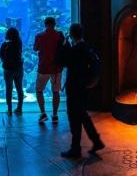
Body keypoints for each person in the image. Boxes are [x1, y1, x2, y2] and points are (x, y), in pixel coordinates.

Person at [60, 23, 105, 158]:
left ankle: (75, 149)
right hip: (83, 87)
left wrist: (64, 45)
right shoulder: (87, 47)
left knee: (74, 118)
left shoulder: (75, 50)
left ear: (72, 34)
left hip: (74, 88)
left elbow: (62, 61)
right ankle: (96, 141)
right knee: (82, 115)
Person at [33, 17, 64, 123]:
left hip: (43, 68)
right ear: (55, 24)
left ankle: (43, 113)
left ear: (45, 24)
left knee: (39, 90)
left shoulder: (39, 36)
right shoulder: (59, 35)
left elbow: (35, 48)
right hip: (56, 68)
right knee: (56, 92)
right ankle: (55, 115)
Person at [0, 27, 24, 116]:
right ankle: (19, 108)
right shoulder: (19, 43)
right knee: (19, 89)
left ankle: (9, 109)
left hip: (8, 69)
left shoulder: (4, 44)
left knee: (8, 89)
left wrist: (5, 62)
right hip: (18, 69)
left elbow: (1, 55)